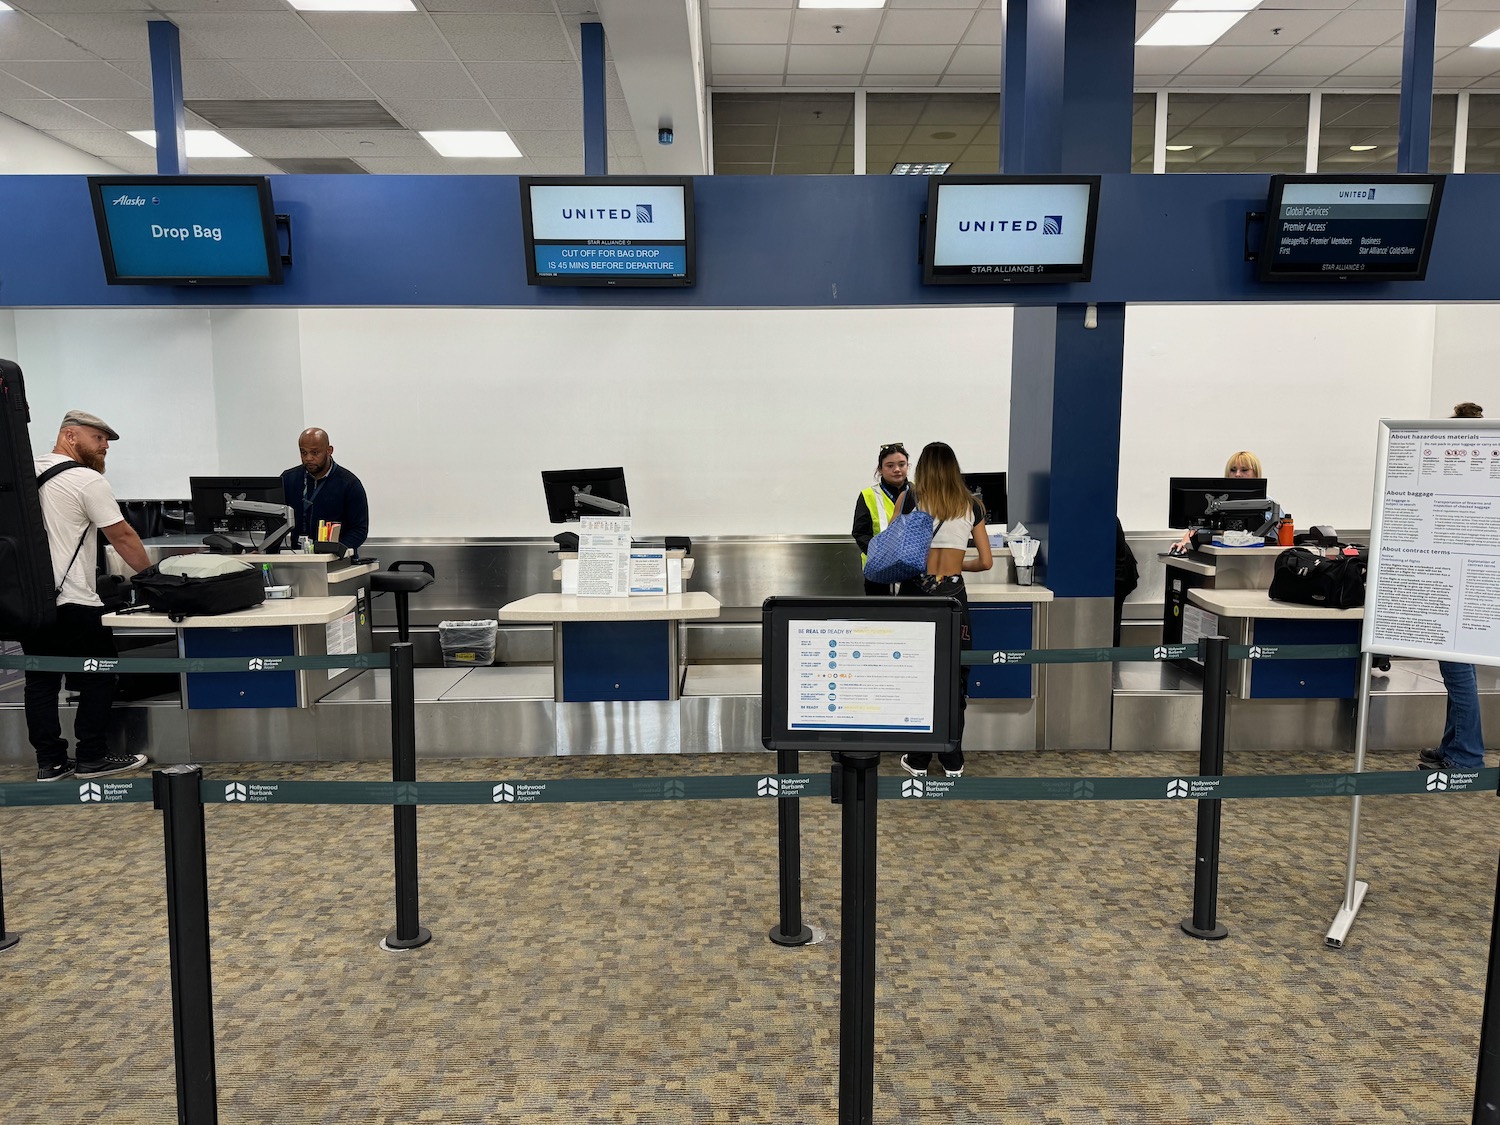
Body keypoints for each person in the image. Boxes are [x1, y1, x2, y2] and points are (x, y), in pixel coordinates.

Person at [22, 410, 151, 781]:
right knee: (100, 675)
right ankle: (92, 756)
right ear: (70, 435)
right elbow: (122, 535)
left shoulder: (24, 473)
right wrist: (153, 578)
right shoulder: (84, 480)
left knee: (41, 681)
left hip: (32, 602)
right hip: (75, 599)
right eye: (98, 438)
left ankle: (50, 762)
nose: (105, 447)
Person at [897, 441, 993, 779]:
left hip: (915, 597)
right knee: (955, 677)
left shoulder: (910, 500)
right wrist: (955, 564)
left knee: (917, 677)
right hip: (952, 598)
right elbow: (986, 560)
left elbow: (895, 548)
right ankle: (953, 758)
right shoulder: (972, 505)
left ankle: (919, 758)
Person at [1420, 403, 1487, 772]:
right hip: (1465, 587)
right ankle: (1454, 745)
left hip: (1462, 589)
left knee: (1459, 673)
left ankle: (1465, 755)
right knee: (1460, 672)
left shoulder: (1469, 486)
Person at [281, 427, 369, 556]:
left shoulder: (349, 483)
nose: (308, 458)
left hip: (337, 561)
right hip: (299, 558)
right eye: (303, 453)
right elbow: (276, 522)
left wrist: (335, 551)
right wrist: (265, 551)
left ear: (329, 451)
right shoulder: (288, 479)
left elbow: (359, 530)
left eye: (315, 452)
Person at [851, 441, 916, 596]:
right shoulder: (868, 495)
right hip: (878, 570)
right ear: (880, 469)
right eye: (890, 465)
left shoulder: (920, 494)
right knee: (881, 616)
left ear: (908, 466)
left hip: (913, 571)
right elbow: (860, 533)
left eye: (902, 464)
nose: (897, 469)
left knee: (911, 617)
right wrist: (880, 554)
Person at [1169, 450, 1264, 555]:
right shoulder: (1219, 502)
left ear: (1256, 474)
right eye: (1233, 470)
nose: (1237, 474)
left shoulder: (1268, 505)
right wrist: (1184, 543)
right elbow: (1200, 526)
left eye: (1244, 470)